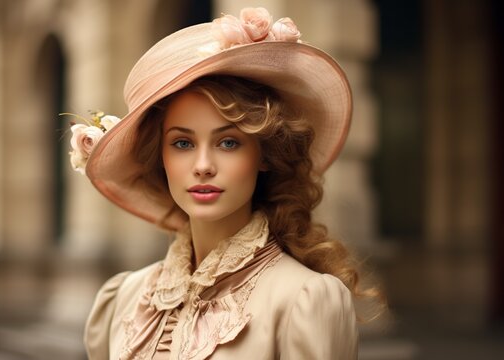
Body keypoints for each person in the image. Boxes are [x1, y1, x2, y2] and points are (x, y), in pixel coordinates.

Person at [68, 7, 382, 360]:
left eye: (228, 142)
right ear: (161, 157)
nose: (203, 166)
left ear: (263, 155)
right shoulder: (122, 297)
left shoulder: (304, 300)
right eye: (182, 143)